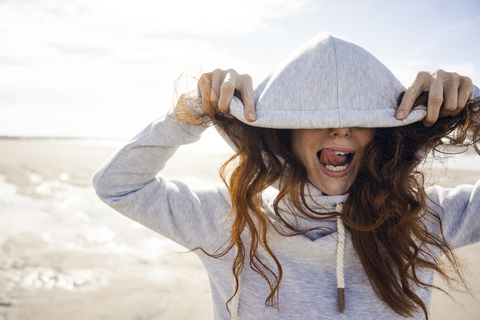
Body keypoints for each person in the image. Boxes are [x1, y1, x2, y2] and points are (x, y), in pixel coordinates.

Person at [93, 32, 480, 319]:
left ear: (381, 133)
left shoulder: (422, 217)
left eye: (359, 118)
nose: (340, 130)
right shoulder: (228, 220)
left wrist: (474, 105)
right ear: (286, 133)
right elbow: (118, 185)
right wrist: (192, 112)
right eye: (318, 117)